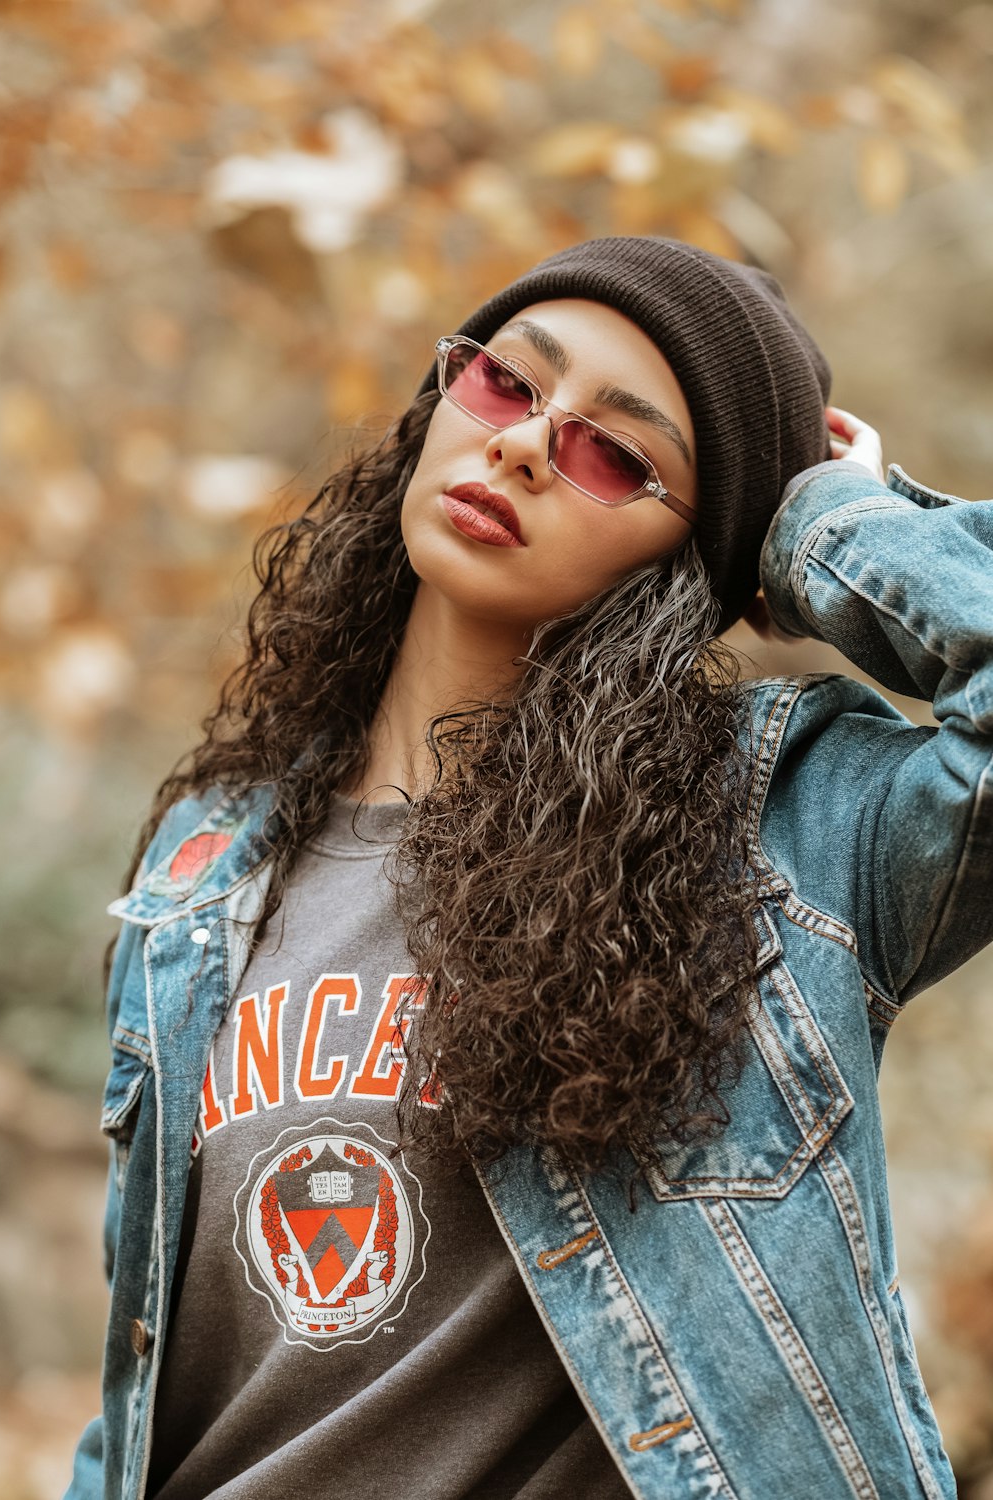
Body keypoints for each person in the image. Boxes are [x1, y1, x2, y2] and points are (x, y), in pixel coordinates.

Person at [65, 236, 992, 1500]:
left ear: (698, 559)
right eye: (507, 384)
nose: (521, 445)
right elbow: (139, 1398)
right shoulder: (206, 863)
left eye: (615, 454)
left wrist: (836, 530)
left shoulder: (789, 833)